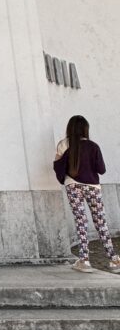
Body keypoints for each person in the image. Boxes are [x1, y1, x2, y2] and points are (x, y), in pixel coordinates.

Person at [53, 115, 120, 274]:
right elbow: (101, 169)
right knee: (100, 222)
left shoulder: (63, 144)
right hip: (92, 187)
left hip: (72, 185)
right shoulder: (93, 146)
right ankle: (113, 260)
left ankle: (84, 261)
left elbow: (57, 166)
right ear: (85, 129)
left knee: (81, 221)